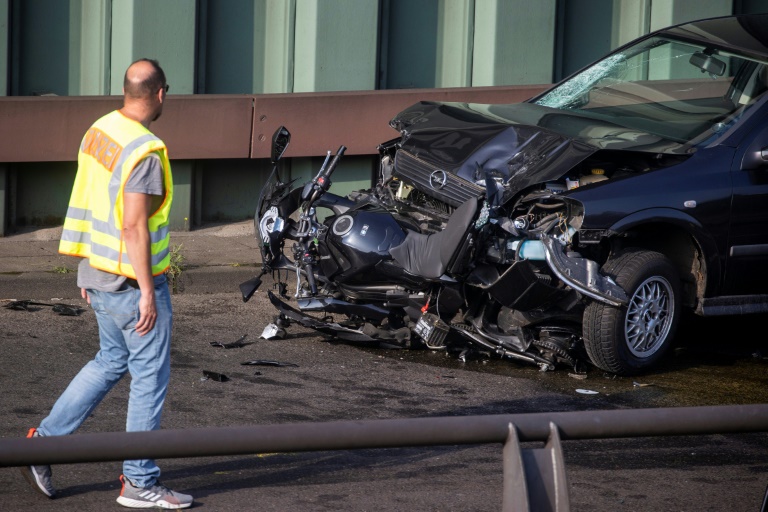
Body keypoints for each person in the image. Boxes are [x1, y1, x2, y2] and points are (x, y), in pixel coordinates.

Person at [20, 58, 193, 510]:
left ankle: (42, 444)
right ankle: (139, 481)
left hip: (98, 273)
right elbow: (134, 227)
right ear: (160, 94)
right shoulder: (145, 151)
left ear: (127, 91)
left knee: (110, 361)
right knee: (149, 378)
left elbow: (88, 195)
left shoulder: (101, 129)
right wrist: (150, 292)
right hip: (131, 283)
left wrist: (87, 267)